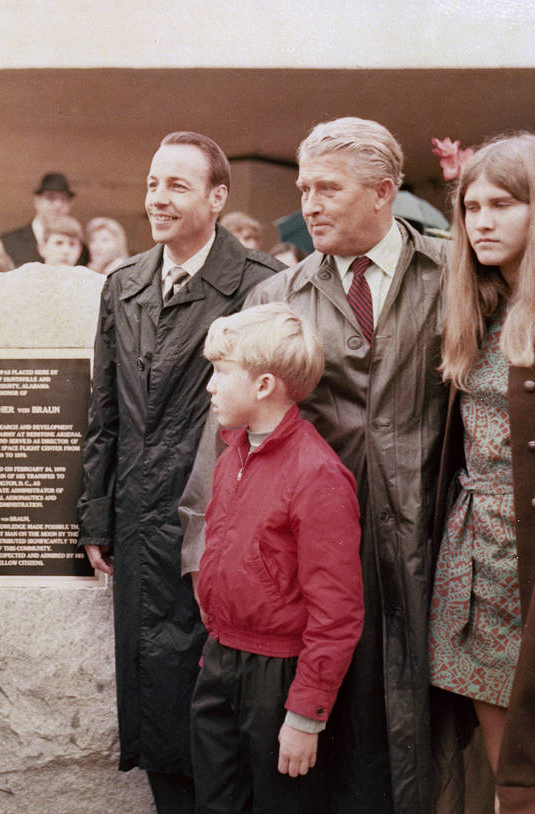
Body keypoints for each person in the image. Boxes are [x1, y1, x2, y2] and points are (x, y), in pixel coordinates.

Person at [181, 117, 450, 813]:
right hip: (302, 561)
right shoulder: (273, 299)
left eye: (327, 188)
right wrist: (208, 564)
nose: (310, 204)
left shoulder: (452, 280)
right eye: (304, 188)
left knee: (414, 747)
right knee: (307, 764)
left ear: (383, 192)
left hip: (424, 556)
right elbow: (225, 449)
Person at [77, 130, 282, 813]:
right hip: (136, 528)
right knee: (156, 707)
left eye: (177, 186)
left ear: (217, 198)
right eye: (151, 184)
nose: (157, 199)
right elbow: (103, 409)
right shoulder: (123, 284)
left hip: (221, 530)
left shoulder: (259, 286)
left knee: (215, 707)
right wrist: (96, 514)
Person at [188, 303, 363, 814]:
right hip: (220, 661)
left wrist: (306, 715)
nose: (210, 387)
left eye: (221, 373)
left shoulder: (317, 475)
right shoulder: (230, 457)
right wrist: (215, 655)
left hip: (280, 677)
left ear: (264, 385)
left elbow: (338, 611)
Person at [428, 133, 535, 812]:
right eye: (471, 207)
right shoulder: (478, 311)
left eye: (502, 204)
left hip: (530, 561)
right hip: (476, 564)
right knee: (510, 787)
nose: (483, 221)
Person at [0, 171, 90, 266]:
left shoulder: (81, 249)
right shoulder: (9, 241)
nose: (57, 205)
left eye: (64, 200)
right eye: (50, 198)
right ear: (37, 201)